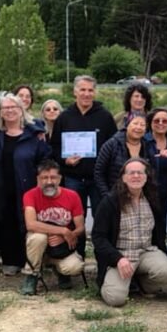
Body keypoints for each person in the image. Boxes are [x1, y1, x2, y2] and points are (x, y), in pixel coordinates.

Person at [50, 75, 118, 257]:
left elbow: (115, 145)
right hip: (72, 178)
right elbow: (54, 147)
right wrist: (65, 160)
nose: (86, 94)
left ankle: (103, 259)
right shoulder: (64, 117)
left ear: (94, 92)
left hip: (98, 179)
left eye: (90, 90)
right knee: (73, 221)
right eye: (83, 90)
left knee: (102, 219)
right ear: (75, 92)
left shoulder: (104, 116)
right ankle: (74, 258)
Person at [93, 158, 167, 307]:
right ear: (123, 177)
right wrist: (118, 259)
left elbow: (159, 232)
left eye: (140, 173)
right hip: (121, 255)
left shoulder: (152, 198)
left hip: (146, 251)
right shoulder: (110, 201)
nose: (136, 176)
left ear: (146, 177)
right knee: (115, 299)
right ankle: (116, 282)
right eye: (131, 173)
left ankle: (141, 283)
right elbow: (98, 238)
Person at [0, 93, 52, 276]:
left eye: (14, 107)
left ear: (22, 110)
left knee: (27, 224)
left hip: (27, 188)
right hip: (2, 189)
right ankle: (10, 260)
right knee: (5, 223)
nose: (10, 111)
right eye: (5, 108)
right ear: (0, 112)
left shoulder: (34, 136)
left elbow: (46, 161)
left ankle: (31, 262)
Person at [20, 159, 85, 296]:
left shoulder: (72, 196)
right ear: (38, 179)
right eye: (44, 177)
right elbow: (30, 224)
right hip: (40, 244)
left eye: (53, 177)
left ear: (60, 179)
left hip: (61, 247)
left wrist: (66, 236)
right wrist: (62, 231)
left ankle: (61, 271)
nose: (49, 181)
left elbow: (80, 228)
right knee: (38, 237)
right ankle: (32, 275)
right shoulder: (30, 195)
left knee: (75, 267)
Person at [94, 113, 152, 196]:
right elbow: (99, 172)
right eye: (135, 123)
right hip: (115, 195)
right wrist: (106, 195)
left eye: (142, 125)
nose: (138, 127)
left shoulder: (148, 145)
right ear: (127, 125)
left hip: (141, 196)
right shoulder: (112, 144)